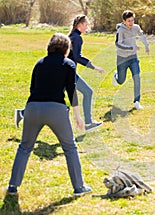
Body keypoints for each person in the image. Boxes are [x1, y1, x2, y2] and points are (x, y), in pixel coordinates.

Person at [8, 33, 92, 197]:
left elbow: (33, 88)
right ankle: (79, 187)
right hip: (56, 109)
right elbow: (71, 91)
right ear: (66, 48)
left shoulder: (39, 63)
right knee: (69, 148)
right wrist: (77, 116)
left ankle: (12, 186)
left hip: (32, 107)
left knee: (24, 147)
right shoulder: (68, 64)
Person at [15, 15, 104, 133]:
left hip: (62, 72)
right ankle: (88, 123)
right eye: (86, 25)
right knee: (88, 92)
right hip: (67, 73)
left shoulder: (73, 36)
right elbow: (77, 57)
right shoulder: (77, 38)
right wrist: (94, 67)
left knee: (48, 98)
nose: (87, 27)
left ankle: (22, 113)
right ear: (80, 25)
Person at [113, 10, 150, 110]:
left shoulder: (136, 27)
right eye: (129, 21)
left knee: (137, 77)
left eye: (132, 20)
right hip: (122, 58)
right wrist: (131, 47)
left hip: (133, 57)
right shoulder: (121, 30)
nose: (131, 23)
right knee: (121, 81)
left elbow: (142, 36)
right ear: (124, 21)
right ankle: (116, 75)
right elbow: (118, 44)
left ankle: (137, 101)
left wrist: (146, 46)